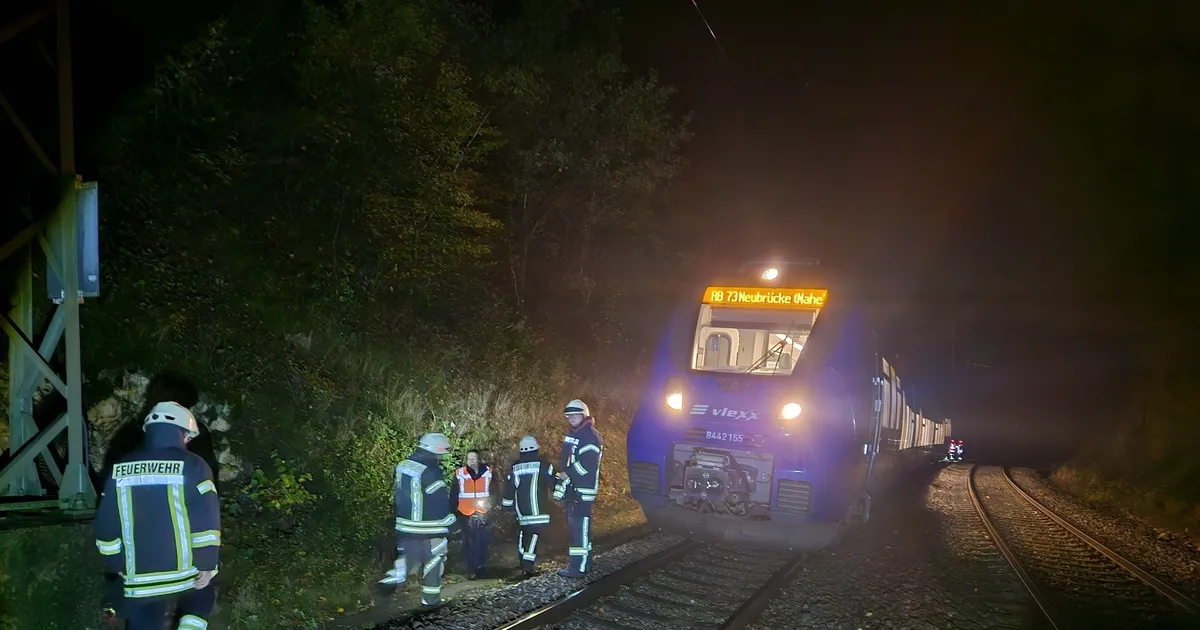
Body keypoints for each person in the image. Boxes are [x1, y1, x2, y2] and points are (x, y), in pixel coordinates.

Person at [93, 401, 221, 630]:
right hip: (185, 573)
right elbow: (206, 521)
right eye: (187, 436)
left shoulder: (120, 468)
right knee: (203, 595)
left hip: (138, 576)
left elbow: (107, 524)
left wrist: (116, 565)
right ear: (181, 433)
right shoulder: (194, 465)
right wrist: (207, 564)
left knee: (144, 617)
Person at [378, 432, 456, 608]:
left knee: (410, 557)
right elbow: (439, 500)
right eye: (441, 453)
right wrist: (450, 519)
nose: (442, 456)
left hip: (405, 526)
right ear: (434, 449)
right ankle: (431, 601)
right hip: (429, 527)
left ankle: (393, 576)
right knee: (434, 560)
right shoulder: (432, 471)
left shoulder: (403, 466)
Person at [552, 398, 603, 578]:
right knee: (580, 529)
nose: (571, 418)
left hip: (582, 490)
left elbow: (588, 464)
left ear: (584, 415)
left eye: (575, 415)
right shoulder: (575, 433)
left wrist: (568, 474)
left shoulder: (589, 436)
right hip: (575, 489)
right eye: (569, 416)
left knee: (578, 529)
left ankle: (577, 568)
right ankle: (585, 563)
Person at [501, 435, 556, 577]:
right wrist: (563, 495)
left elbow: (509, 489)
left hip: (522, 510)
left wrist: (506, 506)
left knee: (524, 533)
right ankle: (528, 566)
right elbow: (553, 484)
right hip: (538, 509)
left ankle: (523, 560)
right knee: (534, 535)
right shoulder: (543, 465)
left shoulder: (515, 467)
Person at [449, 449, 494, 579]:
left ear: (478, 459)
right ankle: (472, 569)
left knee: (482, 540)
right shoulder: (459, 473)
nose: (472, 461)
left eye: (474, 458)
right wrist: (453, 510)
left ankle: (481, 566)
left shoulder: (488, 472)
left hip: (483, 511)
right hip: (465, 512)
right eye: (469, 458)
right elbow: (454, 493)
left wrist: (493, 503)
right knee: (469, 541)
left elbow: (495, 490)